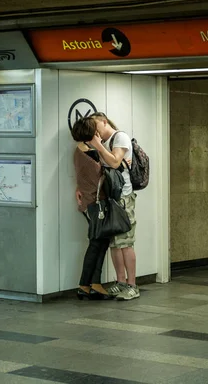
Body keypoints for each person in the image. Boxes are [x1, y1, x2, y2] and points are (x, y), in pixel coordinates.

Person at [88, 112, 140, 301]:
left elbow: (115, 161)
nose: (96, 132)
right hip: (111, 198)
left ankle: (132, 285)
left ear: (104, 122)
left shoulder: (120, 137)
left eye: (97, 127)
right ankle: (120, 281)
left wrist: (98, 146)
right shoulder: (105, 143)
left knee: (125, 242)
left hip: (124, 197)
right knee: (115, 243)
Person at [71, 117, 114, 300]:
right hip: (97, 204)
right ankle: (89, 284)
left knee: (98, 242)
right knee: (98, 243)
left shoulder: (78, 151)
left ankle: (89, 284)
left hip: (88, 203)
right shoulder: (92, 153)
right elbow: (104, 172)